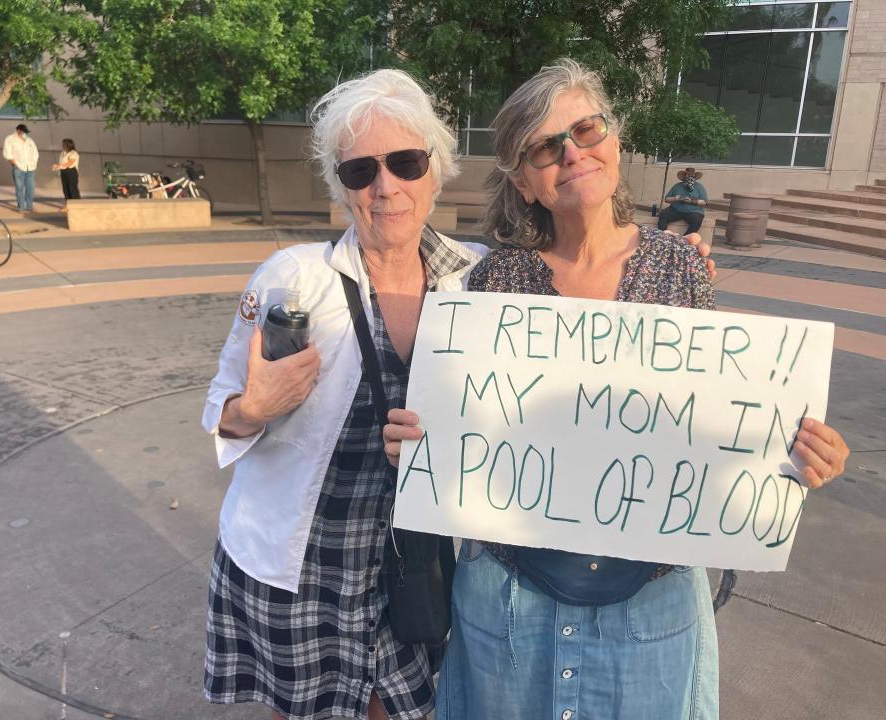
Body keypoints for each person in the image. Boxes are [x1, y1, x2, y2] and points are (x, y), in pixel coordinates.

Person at [202, 68, 712, 720]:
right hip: (306, 564)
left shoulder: (479, 278)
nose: (385, 187)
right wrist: (253, 410)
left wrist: (680, 260)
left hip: (415, 568)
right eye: (360, 172)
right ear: (342, 187)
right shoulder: (292, 280)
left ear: (434, 170)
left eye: (406, 163)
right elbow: (224, 407)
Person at [383, 59, 850, 720]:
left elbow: (710, 418)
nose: (572, 152)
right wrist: (420, 444)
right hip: (513, 595)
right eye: (545, 146)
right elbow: (468, 421)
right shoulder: (496, 282)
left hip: (649, 601)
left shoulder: (681, 264)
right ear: (523, 179)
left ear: (615, 138)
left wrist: (789, 456)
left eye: (586, 127)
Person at [658, 166, 708, 235]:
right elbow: (667, 199)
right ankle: (664, 235)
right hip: (676, 209)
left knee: (696, 221)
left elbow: (704, 202)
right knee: (663, 215)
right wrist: (676, 198)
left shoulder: (699, 187)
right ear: (685, 176)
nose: (690, 177)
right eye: (688, 175)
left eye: (692, 175)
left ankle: (685, 239)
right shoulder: (677, 186)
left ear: (694, 176)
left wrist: (691, 201)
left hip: (694, 211)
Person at [3, 123, 39, 212]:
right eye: (23, 132)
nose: (25, 134)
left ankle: (29, 206)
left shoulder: (29, 140)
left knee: (30, 187)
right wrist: (15, 164)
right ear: (18, 131)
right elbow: (7, 153)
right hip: (18, 167)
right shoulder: (10, 139)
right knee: (19, 188)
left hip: (30, 167)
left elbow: (35, 152)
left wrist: (34, 163)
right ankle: (21, 207)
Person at [51, 138, 81, 206]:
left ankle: (76, 205)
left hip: (71, 171)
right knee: (65, 189)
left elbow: (70, 163)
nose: (63, 145)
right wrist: (57, 166)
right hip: (64, 172)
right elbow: (62, 162)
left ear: (68, 145)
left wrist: (60, 166)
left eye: (64, 144)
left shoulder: (73, 153)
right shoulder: (63, 153)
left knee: (72, 189)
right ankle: (68, 205)